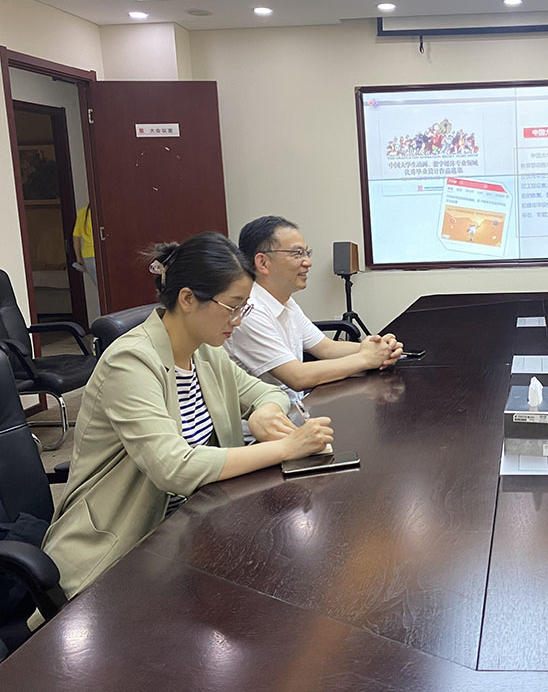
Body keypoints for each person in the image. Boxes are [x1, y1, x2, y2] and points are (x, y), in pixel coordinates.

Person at [41, 232, 334, 599]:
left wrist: (265, 411)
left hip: (192, 527)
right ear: (188, 299)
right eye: (232, 306)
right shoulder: (130, 362)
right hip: (121, 549)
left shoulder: (205, 351)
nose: (238, 321)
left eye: (244, 308)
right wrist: (286, 448)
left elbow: (266, 390)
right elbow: (174, 467)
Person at [226, 216, 403, 403]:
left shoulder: (286, 302)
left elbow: (327, 348)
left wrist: (380, 349)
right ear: (263, 263)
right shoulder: (249, 310)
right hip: (267, 419)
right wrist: (366, 358)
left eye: (307, 253)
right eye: (297, 254)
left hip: (298, 408)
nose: (308, 262)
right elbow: (298, 377)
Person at [72, 203, 97, 284]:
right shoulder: (100, 212)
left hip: (87, 256)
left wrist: (78, 257)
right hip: (99, 255)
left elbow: (76, 237)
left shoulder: (82, 212)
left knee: (99, 285)